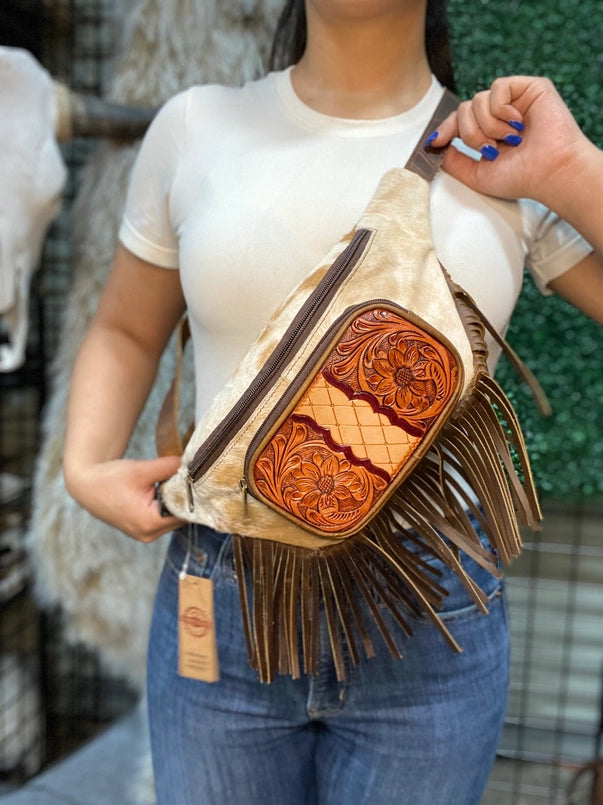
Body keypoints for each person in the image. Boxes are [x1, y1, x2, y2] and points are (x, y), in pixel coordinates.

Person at [62, 2, 603, 803]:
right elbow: (126, 329)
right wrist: (83, 465)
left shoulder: (498, 152)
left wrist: (571, 170)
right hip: (227, 589)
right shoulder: (194, 126)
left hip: (433, 608)